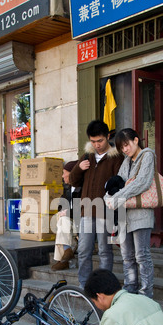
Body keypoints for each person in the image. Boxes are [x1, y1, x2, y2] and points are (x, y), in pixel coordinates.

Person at [69, 120, 124, 288]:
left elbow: (120, 185)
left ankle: (103, 287)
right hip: (86, 211)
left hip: (106, 212)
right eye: (93, 141)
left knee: (104, 252)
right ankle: (83, 285)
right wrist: (79, 167)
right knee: (84, 251)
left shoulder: (116, 157)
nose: (97, 145)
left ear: (108, 136)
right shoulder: (87, 156)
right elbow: (72, 180)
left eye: (100, 141)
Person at [104, 128, 155, 298]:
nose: (125, 150)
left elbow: (142, 183)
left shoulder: (147, 155)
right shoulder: (126, 161)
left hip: (141, 214)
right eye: (121, 148)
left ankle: (146, 293)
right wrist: (108, 196)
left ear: (136, 140)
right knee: (127, 256)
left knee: (142, 256)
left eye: (126, 145)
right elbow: (118, 181)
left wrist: (117, 196)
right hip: (125, 215)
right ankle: (130, 288)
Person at [51, 160, 81, 271]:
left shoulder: (81, 188)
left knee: (63, 221)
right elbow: (60, 204)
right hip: (70, 224)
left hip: (80, 222)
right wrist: (62, 211)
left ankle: (63, 258)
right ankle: (66, 253)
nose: (62, 176)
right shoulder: (67, 188)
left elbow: (82, 209)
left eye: (64, 172)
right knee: (62, 219)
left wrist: (67, 212)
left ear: (72, 173)